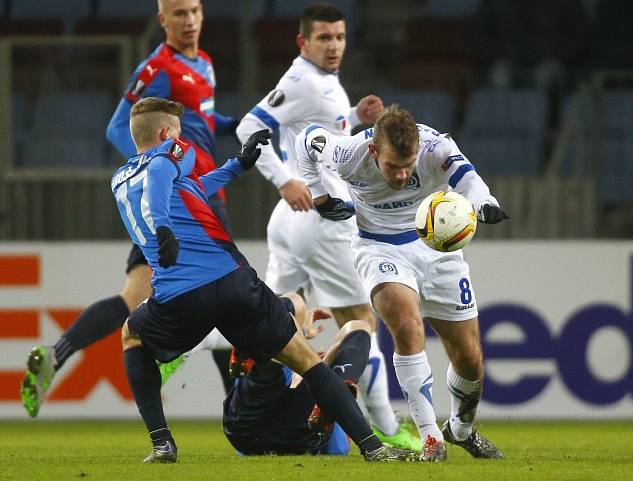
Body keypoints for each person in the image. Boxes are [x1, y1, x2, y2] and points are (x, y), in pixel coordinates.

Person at [112, 96, 415, 464]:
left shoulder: (121, 180)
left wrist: (238, 164)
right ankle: (373, 447)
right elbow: (163, 168)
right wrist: (163, 228)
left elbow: (193, 189)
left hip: (179, 298)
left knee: (132, 335)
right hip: (233, 281)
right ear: (165, 132)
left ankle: (162, 443)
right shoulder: (169, 155)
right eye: (176, 132)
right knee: (306, 360)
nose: (182, 139)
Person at [20, 0, 237, 418]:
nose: (189, 20)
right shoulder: (156, 68)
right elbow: (117, 127)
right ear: (162, 20)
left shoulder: (205, 62)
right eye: (179, 14)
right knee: (222, 296)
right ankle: (240, 411)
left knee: (135, 295)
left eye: (194, 11)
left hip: (181, 199)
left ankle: (57, 354)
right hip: (191, 199)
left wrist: (237, 125)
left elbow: (201, 120)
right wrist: (152, 171)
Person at [232, 2, 419, 452]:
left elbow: (313, 133)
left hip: (290, 224)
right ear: (303, 42)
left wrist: (353, 117)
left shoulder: (321, 84)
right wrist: (285, 180)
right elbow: (247, 128)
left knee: (272, 326)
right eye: (324, 38)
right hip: (322, 219)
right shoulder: (301, 80)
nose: (334, 45)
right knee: (360, 323)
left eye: (339, 37)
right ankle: (389, 430)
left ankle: (187, 355)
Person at [296, 104, 509, 461]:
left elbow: (469, 179)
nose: (401, 175)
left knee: (470, 359)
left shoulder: (435, 148)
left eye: (407, 165)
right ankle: (431, 439)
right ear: (373, 150)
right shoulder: (347, 152)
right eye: (393, 166)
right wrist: (319, 192)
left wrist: (485, 202)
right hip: (379, 248)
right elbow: (306, 140)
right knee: (407, 326)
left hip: (438, 249)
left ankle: (460, 429)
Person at [223, 291, 373, 456]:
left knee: (295, 302)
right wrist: (321, 362)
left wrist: (301, 333)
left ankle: (252, 340)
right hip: (304, 436)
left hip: (246, 427)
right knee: (360, 327)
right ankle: (342, 385)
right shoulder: (333, 434)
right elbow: (337, 449)